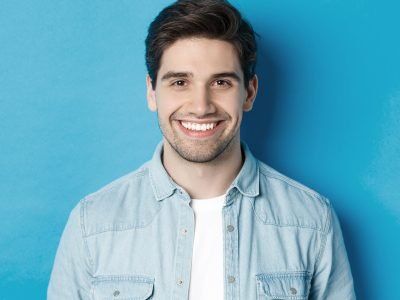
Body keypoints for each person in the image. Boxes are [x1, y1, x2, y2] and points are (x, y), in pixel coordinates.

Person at [48, 0, 356, 299]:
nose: (200, 107)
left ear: (249, 93)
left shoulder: (312, 221)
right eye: (180, 82)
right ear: (152, 92)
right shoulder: (93, 224)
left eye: (221, 82)